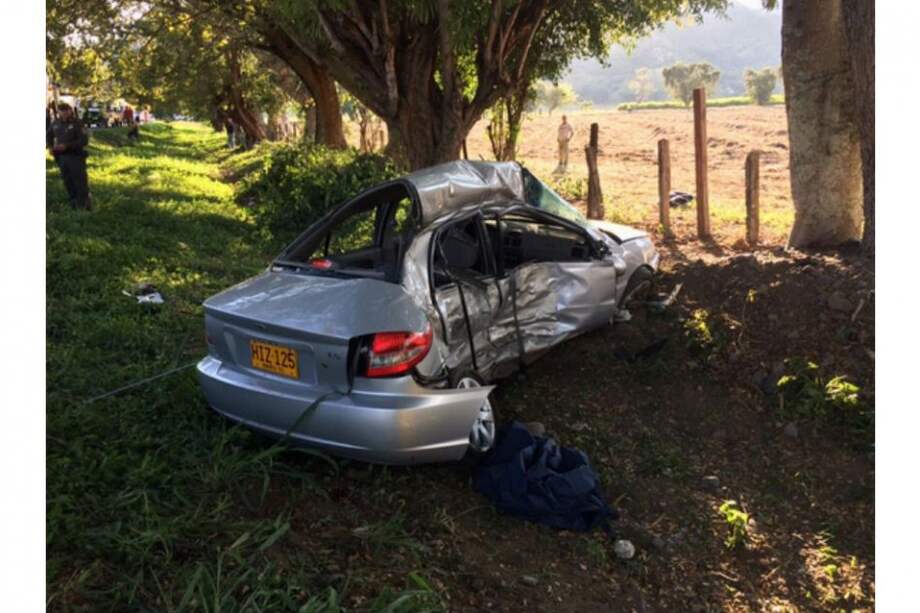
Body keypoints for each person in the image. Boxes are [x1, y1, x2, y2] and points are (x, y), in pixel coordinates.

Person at [47, 102, 92, 211]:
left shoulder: (77, 123)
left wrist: (67, 146)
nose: (64, 113)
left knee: (80, 181)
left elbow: (83, 140)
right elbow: (48, 135)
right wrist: (50, 147)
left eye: (66, 111)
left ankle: (84, 205)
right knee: (68, 181)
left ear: (70, 111)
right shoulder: (55, 123)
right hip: (61, 157)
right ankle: (73, 203)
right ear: (59, 112)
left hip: (76, 156)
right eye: (61, 111)